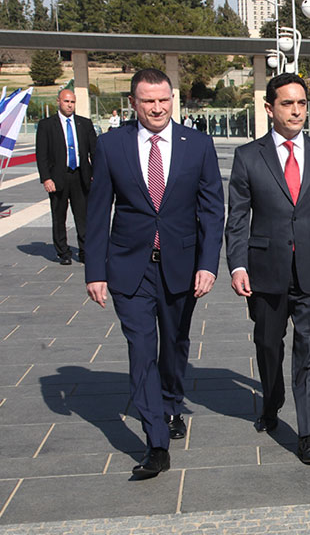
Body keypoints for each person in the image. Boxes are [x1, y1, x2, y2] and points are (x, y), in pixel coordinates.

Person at [84, 68, 225, 479]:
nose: (157, 108)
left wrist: (207, 264)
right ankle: (156, 441)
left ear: (172, 99)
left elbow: (212, 211)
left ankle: (170, 402)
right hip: (130, 268)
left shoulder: (197, 145)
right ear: (133, 103)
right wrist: (95, 271)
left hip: (181, 266)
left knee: (174, 346)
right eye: (148, 101)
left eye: (163, 100)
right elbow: (97, 214)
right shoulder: (112, 146)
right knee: (142, 350)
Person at [225, 72, 310, 465]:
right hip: (266, 269)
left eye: (301, 103)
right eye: (287, 104)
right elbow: (237, 217)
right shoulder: (248, 156)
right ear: (269, 108)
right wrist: (237, 265)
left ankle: (308, 433)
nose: (296, 111)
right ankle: (272, 398)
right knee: (267, 345)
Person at [35, 88, 97, 265]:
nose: (69, 105)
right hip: (58, 178)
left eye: (72, 102)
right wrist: (46, 178)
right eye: (66, 101)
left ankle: (85, 251)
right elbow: (42, 154)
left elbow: (94, 151)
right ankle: (63, 252)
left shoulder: (84, 124)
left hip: (80, 175)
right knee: (59, 216)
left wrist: (96, 174)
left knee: (83, 216)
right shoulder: (47, 125)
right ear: (58, 102)